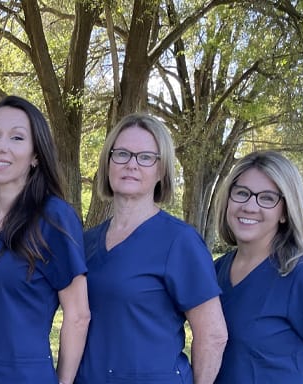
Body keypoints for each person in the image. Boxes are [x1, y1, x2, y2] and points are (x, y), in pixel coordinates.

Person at [77, 113, 227, 384]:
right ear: (108, 163)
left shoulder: (179, 242)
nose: (131, 164)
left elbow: (213, 335)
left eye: (145, 157)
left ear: (161, 170)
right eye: (121, 154)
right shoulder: (87, 242)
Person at [0, 96, 90, 383]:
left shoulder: (53, 218)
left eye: (17, 137)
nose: (0, 146)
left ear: (35, 156)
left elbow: (78, 314)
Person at [212, 151, 303, 383]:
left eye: (267, 198)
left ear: (285, 212)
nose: (249, 206)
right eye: (241, 193)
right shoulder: (216, 271)